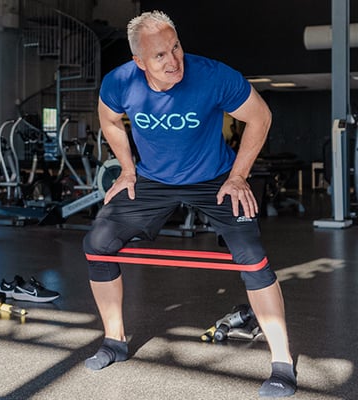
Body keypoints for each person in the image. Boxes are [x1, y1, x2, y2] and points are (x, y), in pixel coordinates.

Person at [83, 11, 296, 397]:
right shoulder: (119, 82)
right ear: (139, 62)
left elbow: (260, 117)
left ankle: (282, 362)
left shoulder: (213, 76)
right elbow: (110, 121)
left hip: (215, 178)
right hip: (153, 179)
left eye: (176, 47)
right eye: (160, 55)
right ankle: (114, 341)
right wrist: (128, 171)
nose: (174, 60)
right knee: (97, 244)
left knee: (251, 254)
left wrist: (238, 176)